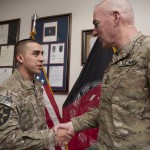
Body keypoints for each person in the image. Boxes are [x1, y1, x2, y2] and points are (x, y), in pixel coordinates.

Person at [54, 0, 150, 149]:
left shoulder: (146, 51)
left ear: (115, 17)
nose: (94, 31)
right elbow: (106, 109)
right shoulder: (115, 61)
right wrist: (73, 124)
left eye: (96, 23)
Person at [0, 39, 73, 150]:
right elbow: (6, 140)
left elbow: (38, 125)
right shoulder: (9, 91)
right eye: (35, 54)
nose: (42, 59)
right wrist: (52, 137)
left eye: (42, 54)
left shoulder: (36, 85)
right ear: (20, 58)